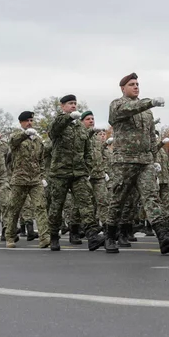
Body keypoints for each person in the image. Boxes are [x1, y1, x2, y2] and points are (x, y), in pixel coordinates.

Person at [106, 73, 169, 254]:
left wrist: (152, 156)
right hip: (124, 161)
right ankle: (110, 236)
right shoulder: (117, 104)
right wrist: (150, 102)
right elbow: (129, 109)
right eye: (131, 84)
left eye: (137, 84)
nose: (136, 87)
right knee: (118, 200)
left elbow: (151, 136)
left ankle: (163, 236)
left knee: (152, 197)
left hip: (145, 162)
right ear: (123, 88)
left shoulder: (147, 112)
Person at [47, 95, 105, 251]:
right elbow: (53, 131)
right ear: (62, 106)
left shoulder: (80, 127)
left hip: (78, 173)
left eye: (74, 104)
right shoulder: (59, 124)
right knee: (57, 206)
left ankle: (92, 236)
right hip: (60, 172)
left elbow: (87, 151)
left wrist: (86, 168)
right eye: (70, 104)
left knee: (85, 203)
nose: (73, 106)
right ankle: (53, 236)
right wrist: (67, 118)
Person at [5, 111, 51, 248]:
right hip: (19, 179)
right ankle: (10, 236)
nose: (30, 123)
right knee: (14, 208)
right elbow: (12, 142)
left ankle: (44, 237)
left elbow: (41, 159)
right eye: (27, 121)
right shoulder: (16, 135)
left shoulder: (37, 140)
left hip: (35, 180)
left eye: (31, 120)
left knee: (41, 207)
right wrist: (25, 134)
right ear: (21, 122)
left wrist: (42, 176)